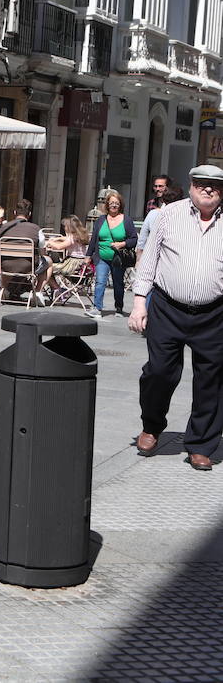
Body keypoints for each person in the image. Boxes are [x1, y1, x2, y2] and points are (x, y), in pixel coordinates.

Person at [129, 165, 223, 471]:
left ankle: (201, 445)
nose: (208, 189)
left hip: (214, 313)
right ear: (191, 185)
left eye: (215, 185)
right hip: (168, 308)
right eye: (202, 184)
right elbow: (149, 260)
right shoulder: (169, 214)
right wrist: (139, 303)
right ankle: (152, 426)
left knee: (212, 380)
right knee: (158, 372)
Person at [88, 189, 137, 318]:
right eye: (111, 203)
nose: (114, 205)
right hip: (102, 257)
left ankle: (119, 308)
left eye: (116, 203)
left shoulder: (127, 220)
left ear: (120, 205)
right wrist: (88, 255)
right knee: (100, 282)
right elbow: (94, 239)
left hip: (118, 258)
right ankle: (97, 308)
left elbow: (133, 239)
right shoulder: (100, 220)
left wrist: (122, 244)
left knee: (118, 283)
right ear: (107, 205)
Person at [0, 198, 48, 300]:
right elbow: (42, 252)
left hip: (5, 265)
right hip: (27, 266)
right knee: (48, 261)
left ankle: (4, 289)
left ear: (15, 212)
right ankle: (37, 292)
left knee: (8, 260)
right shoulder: (36, 229)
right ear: (30, 214)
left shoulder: (4, 227)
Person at [45, 216, 90, 303]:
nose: (64, 228)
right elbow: (66, 240)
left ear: (69, 227)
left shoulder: (71, 238)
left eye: (65, 226)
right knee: (50, 268)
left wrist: (49, 242)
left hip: (72, 264)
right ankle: (57, 289)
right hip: (81, 264)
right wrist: (58, 238)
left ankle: (57, 289)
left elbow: (59, 247)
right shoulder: (79, 236)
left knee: (46, 268)